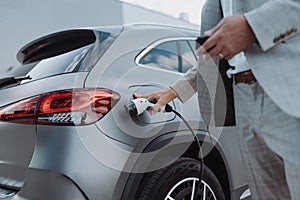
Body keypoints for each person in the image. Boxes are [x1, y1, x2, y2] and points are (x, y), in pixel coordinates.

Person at [135, 0, 300, 199]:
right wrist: (172, 92)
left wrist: (252, 25)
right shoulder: (213, 5)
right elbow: (210, 60)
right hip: (243, 99)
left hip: (289, 88)